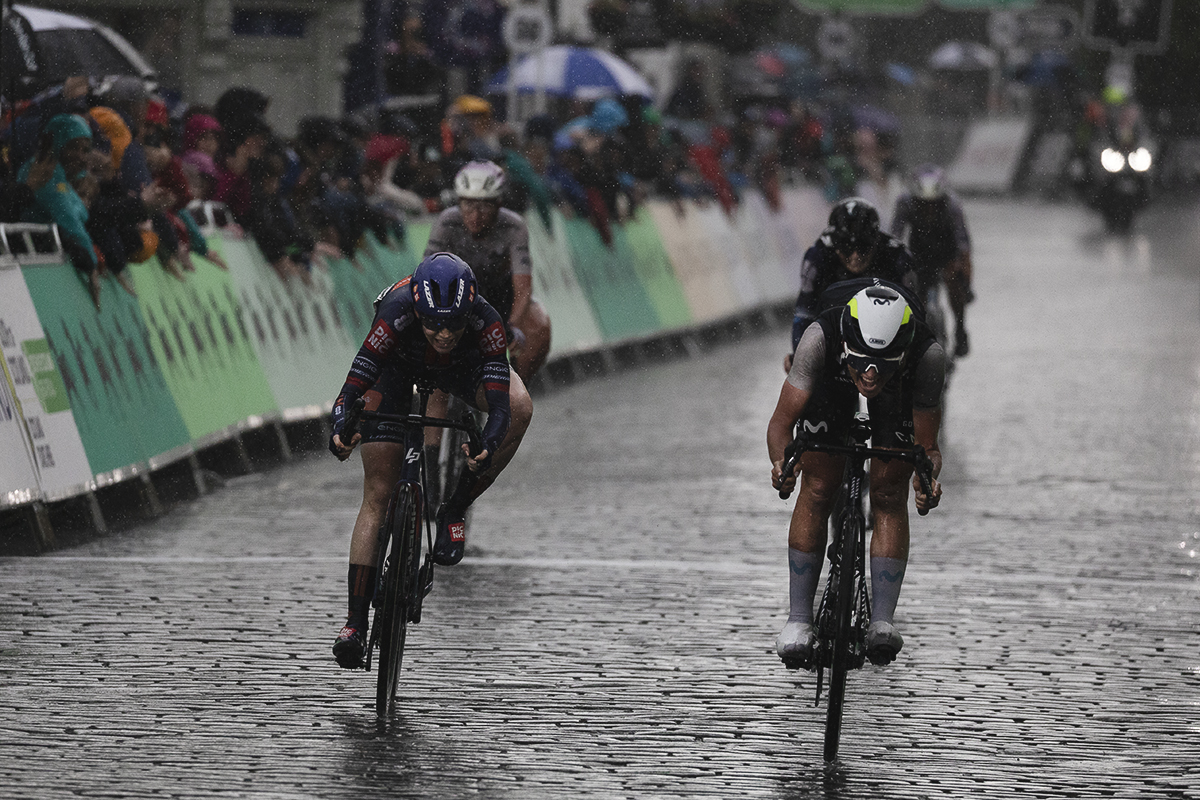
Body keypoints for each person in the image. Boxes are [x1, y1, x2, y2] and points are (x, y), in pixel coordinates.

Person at [327, 253, 533, 669]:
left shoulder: (485, 321)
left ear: (468, 313)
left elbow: (499, 408)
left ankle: (453, 509)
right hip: (396, 369)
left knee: (521, 405)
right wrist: (341, 428)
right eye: (433, 323)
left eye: (453, 324)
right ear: (417, 311)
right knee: (378, 493)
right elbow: (353, 385)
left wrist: (487, 447)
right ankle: (354, 622)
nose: (442, 333)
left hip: (462, 368)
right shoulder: (397, 311)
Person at [767, 280, 945, 669]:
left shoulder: (926, 355)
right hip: (832, 375)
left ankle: (882, 621)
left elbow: (927, 447)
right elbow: (781, 424)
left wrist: (925, 479)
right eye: (861, 361)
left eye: (880, 365)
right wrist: (783, 464)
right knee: (817, 485)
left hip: (900, 387)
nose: (868, 374)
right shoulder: (820, 340)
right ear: (848, 345)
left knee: (888, 491)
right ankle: (798, 619)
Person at [424, 160, 551, 382]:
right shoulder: (447, 222)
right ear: (458, 202)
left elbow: (523, 287)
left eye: (485, 206)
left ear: (498, 203)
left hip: (501, 294)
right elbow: (424, 278)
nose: (476, 214)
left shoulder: (514, 226)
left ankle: (516, 388)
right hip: (459, 295)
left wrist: (510, 327)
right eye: (468, 205)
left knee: (538, 324)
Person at [786, 197, 919, 371]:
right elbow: (805, 314)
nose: (855, 256)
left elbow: (915, 316)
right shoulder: (817, 257)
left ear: (875, 241)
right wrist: (800, 356)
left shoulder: (898, 258)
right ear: (835, 244)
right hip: (836, 337)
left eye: (863, 246)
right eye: (847, 247)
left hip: (888, 337)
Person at [889, 165, 974, 357]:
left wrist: (965, 282)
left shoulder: (953, 206)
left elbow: (964, 246)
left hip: (947, 249)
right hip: (919, 251)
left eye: (934, 204)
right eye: (923, 204)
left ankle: (960, 330)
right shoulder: (905, 202)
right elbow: (895, 237)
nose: (929, 209)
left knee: (955, 283)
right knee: (916, 293)